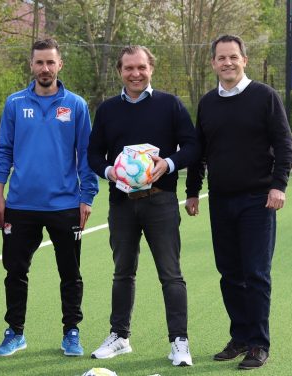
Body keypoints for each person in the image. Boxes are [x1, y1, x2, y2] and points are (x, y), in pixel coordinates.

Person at [185, 34, 292, 370]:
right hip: (220, 201)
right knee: (229, 273)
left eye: (233, 57)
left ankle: (259, 343)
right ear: (213, 63)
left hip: (258, 202)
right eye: (221, 58)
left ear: (244, 60)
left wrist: (278, 186)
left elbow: (285, 145)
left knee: (256, 274)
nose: (227, 63)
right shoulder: (207, 103)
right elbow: (199, 152)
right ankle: (241, 337)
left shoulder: (265, 97)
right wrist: (192, 191)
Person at [87, 45, 199, 367]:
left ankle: (179, 342)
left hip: (160, 202)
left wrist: (170, 163)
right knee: (123, 272)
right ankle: (119, 337)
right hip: (121, 204)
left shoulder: (170, 105)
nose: (135, 74)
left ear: (151, 68)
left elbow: (192, 145)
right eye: (128, 68)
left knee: (171, 274)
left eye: (141, 67)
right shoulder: (107, 110)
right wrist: (110, 171)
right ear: (120, 72)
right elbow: (94, 153)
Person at [0, 38, 99, 358]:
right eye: (39, 62)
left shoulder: (76, 105)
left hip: (65, 205)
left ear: (60, 65)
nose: (45, 68)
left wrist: (87, 197)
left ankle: (71, 332)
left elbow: (86, 155)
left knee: (70, 273)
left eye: (50, 62)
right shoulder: (14, 103)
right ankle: (15, 332)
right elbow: (4, 151)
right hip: (20, 204)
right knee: (15, 271)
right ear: (31, 65)